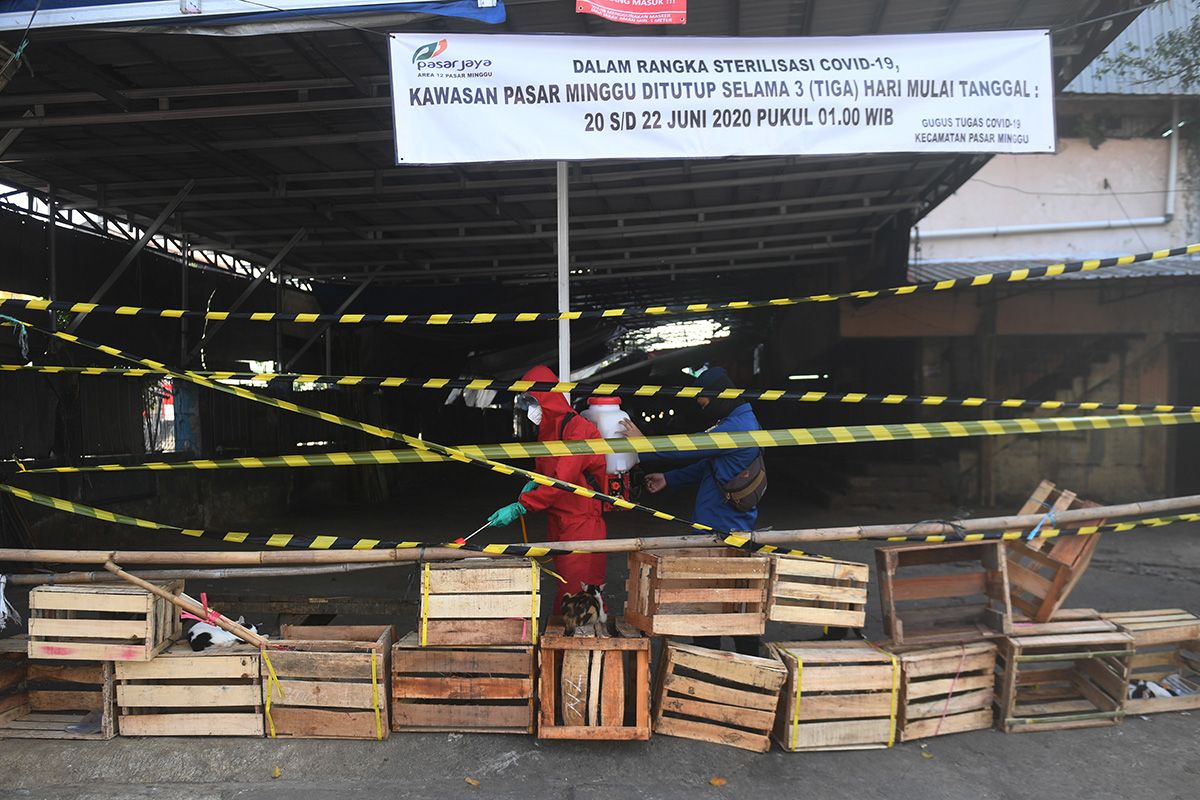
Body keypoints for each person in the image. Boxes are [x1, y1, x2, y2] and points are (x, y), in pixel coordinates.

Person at [620, 365, 765, 655]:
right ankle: (715, 659)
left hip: (725, 532)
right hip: (715, 529)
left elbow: (689, 449)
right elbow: (708, 464)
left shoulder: (738, 426)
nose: (704, 410)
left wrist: (643, 444)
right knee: (717, 602)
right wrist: (669, 479)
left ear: (719, 397)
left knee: (724, 604)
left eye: (705, 404)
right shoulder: (735, 418)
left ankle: (744, 664)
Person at [486, 365, 608, 613]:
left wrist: (523, 505)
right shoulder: (548, 430)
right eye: (526, 402)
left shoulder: (578, 430)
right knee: (566, 590)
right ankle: (563, 648)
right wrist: (535, 482)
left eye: (532, 400)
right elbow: (548, 474)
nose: (529, 408)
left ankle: (576, 649)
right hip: (559, 521)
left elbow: (562, 481)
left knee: (577, 596)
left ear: (545, 397)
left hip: (581, 524)